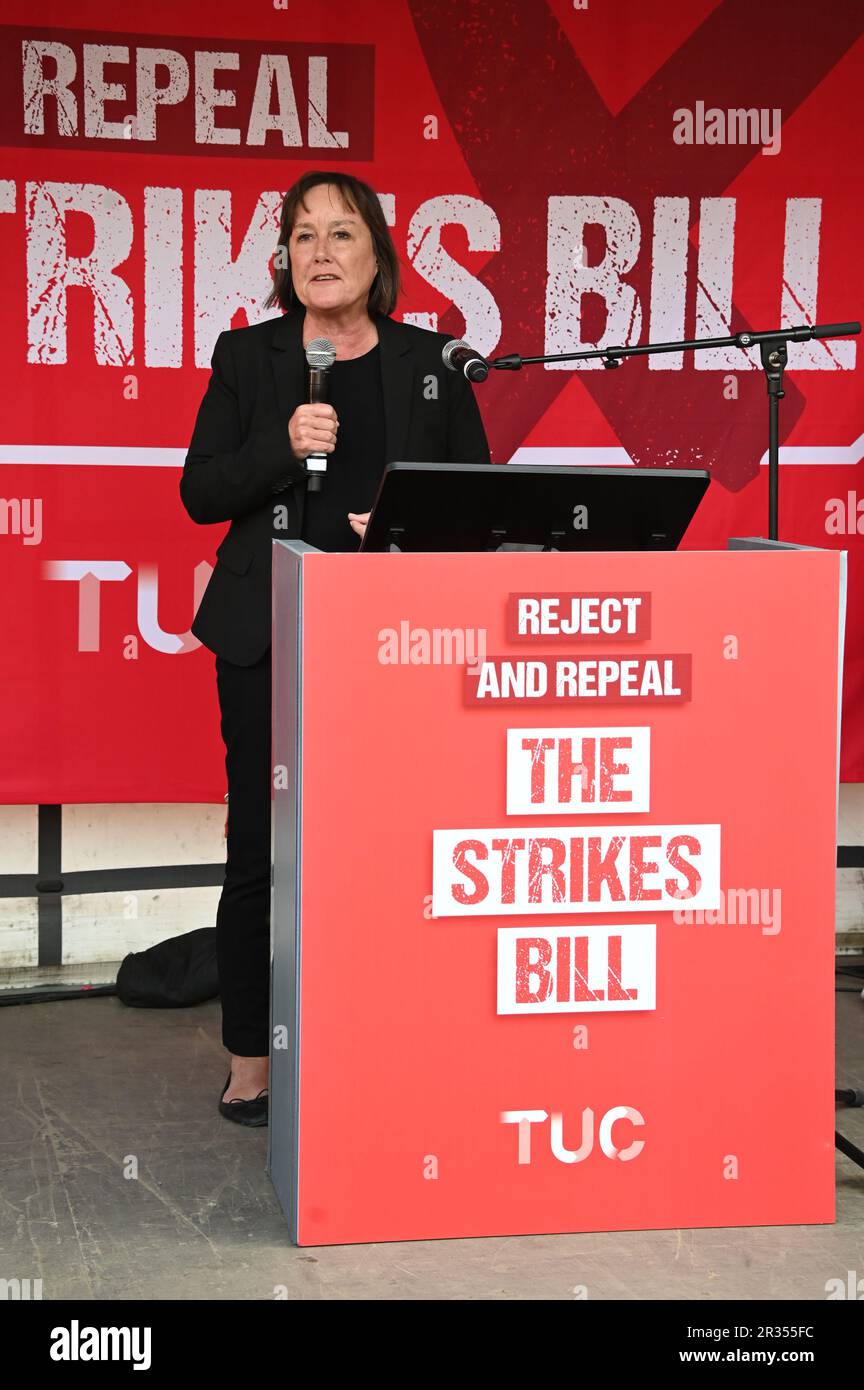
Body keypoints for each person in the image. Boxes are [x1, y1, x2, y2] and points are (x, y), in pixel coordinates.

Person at [180, 170, 491, 1126]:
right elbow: (202, 493)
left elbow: (476, 506)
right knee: (261, 854)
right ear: (285, 261)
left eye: (342, 234)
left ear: (378, 258)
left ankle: (391, 1036)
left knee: (399, 846)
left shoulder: (434, 362)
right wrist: (283, 442)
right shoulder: (247, 358)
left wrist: (395, 526)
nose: (321, 251)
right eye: (304, 235)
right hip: (267, 631)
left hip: (396, 640)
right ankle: (250, 1058)